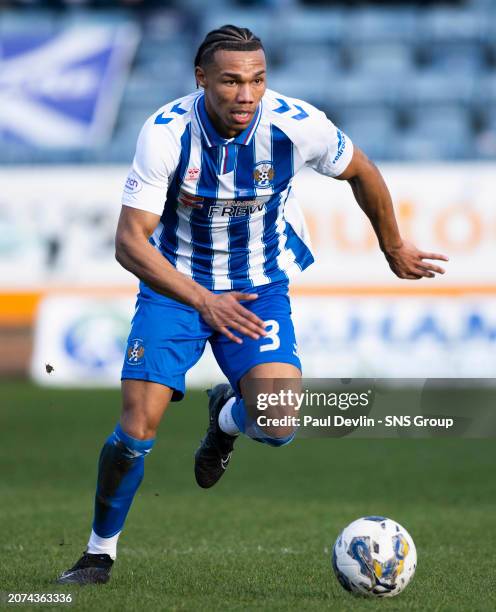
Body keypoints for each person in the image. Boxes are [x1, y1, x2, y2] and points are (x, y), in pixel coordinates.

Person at [56, 24, 448, 585]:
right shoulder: (166, 134)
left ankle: (224, 419)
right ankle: (99, 552)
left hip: (259, 286)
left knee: (280, 422)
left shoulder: (297, 125)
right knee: (138, 426)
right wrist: (202, 301)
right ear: (201, 79)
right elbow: (129, 241)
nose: (246, 95)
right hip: (176, 288)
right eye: (232, 81)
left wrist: (393, 246)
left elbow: (361, 169)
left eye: (258, 80)